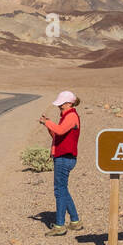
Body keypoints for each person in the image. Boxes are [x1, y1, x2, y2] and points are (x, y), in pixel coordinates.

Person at [38, 91, 83, 237]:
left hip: (64, 158)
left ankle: (59, 225)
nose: (60, 107)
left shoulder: (71, 116)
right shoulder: (66, 117)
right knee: (63, 189)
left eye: (62, 105)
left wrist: (48, 122)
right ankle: (75, 221)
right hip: (62, 157)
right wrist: (48, 125)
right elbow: (57, 135)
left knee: (59, 191)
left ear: (69, 103)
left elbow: (61, 130)